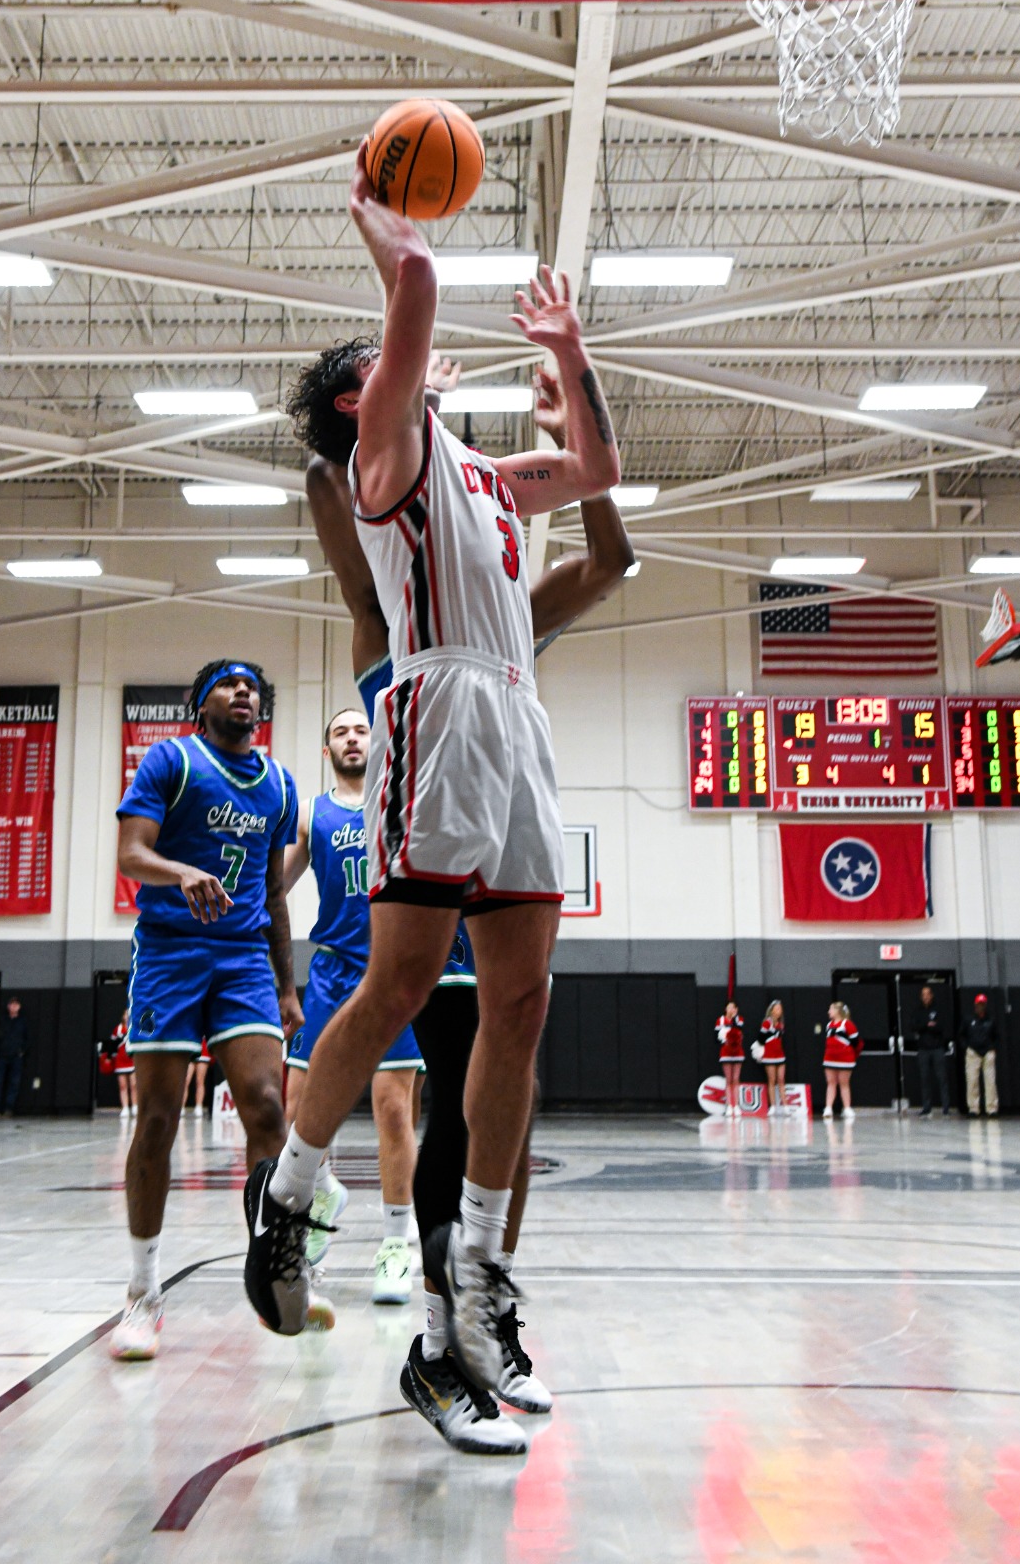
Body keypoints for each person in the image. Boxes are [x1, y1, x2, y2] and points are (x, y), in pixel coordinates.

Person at [244, 150, 619, 1409]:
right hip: (437, 705)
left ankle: (477, 1288)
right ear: (364, 401)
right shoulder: (383, 463)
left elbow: (599, 476)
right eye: (380, 368)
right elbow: (414, 285)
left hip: (518, 718)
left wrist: (568, 352)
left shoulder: (487, 479)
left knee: (522, 1003)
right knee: (401, 979)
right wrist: (385, 223)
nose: (402, 364)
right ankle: (291, 1194)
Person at [292, 350, 631, 1449]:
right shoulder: (388, 627)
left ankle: (475, 1321)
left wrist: (572, 440)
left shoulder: (505, 623)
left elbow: (609, 556)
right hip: (420, 868)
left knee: (504, 1118)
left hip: (494, 825)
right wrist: (375, 420)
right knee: (428, 1124)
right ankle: (424, 1323)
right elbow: (335, 486)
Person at [111, 658, 305, 1361]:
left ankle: (275, 1269)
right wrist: (181, 871)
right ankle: (142, 1291)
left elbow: (275, 893)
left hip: (245, 957)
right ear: (201, 703)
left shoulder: (279, 783)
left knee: (267, 1107)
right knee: (158, 1118)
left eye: (251, 683)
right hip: (169, 953)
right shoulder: (172, 760)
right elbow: (131, 853)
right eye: (228, 682)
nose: (243, 690)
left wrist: (287, 985)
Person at [284, 705, 425, 1307]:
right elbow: (271, 890)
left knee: (392, 1108)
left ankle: (395, 1245)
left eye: (360, 730)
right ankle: (323, 1189)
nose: (351, 738)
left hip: (393, 969)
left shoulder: (403, 803)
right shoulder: (310, 812)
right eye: (339, 732)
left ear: (378, 741)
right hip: (331, 972)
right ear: (327, 750)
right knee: (297, 1106)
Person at [910, 983, 951, 1117]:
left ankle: (946, 1107)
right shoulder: (917, 1011)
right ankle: (926, 1107)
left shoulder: (938, 1009)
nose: (926, 997)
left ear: (932, 995)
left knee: (942, 1078)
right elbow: (914, 1026)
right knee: (925, 1079)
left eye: (928, 994)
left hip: (938, 1048)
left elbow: (941, 1026)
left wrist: (930, 1026)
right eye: (923, 995)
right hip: (923, 1049)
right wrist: (927, 1025)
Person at [961, 992, 999, 1118]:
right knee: (972, 1081)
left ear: (985, 1005)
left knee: (990, 1081)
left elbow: (996, 1036)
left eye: (982, 1004)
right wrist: (967, 1047)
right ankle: (973, 1108)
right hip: (973, 1053)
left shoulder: (991, 1020)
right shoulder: (968, 1019)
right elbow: (961, 1035)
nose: (980, 1007)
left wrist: (993, 1048)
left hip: (988, 1053)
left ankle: (991, 1109)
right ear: (975, 1005)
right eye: (978, 1004)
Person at [821, 1002, 860, 1121]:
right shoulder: (829, 1025)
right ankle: (828, 1108)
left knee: (844, 1083)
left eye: (831, 1009)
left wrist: (848, 1053)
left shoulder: (848, 1024)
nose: (829, 1012)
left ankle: (847, 1108)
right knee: (831, 1083)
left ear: (838, 1011)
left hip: (845, 1059)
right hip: (829, 1059)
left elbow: (856, 1042)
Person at [0, 997, 28, 1117]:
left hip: (16, 1056)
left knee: (14, 1082)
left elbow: (27, 1038)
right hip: (1, 1056)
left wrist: (22, 1051)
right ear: (8, 1006)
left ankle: (9, 1107)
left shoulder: (22, 1021)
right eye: (12, 1004)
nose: (14, 1006)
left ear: (19, 1007)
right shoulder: (2, 1020)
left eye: (16, 1004)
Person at [716, 1001, 745, 1120]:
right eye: (729, 1007)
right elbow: (717, 1036)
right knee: (728, 1079)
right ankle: (729, 1105)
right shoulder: (720, 1020)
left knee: (736, 1079)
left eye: (733, 1007)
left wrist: (734, 1018)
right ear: (725, 1009)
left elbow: (740, 1029)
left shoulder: (739, 1019)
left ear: (736, 1009)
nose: (731, 1009)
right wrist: (726, 1040)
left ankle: (736, 1105)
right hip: (726, 1051)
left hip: (738, 1051)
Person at [758, 1000, 787, 1116]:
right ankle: (773, 1106)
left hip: (780, 1055)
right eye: (777, 1008)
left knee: (781, 1079)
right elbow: (761, 1039)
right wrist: (771, 1033)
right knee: (772, 1080)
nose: (779, 1011)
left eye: (780, 1009)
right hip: (769, 1056)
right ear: (772, 1010)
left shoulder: (781, 1024)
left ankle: (785, 1106)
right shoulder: (766, 1023)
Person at [184, 1041, 210, 1118]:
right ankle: (181, 1107)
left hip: (203, 1052)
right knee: (186, 1081)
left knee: (200, 1081)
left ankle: (199, 1106)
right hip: (191, 1050)